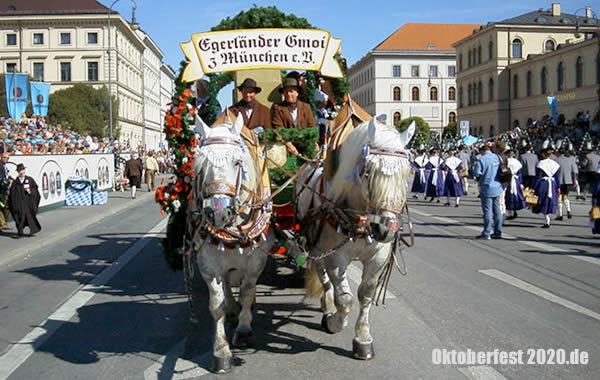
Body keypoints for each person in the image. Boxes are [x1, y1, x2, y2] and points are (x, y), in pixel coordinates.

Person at [271, 77, 317, 156]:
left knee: (316, 152)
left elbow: (312, 125)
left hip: (304, 142)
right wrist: (289, 145)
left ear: (297, 93)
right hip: (286, 144)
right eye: (286, 92)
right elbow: (278, 128)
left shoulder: (306, 107)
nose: (288, 94)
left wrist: (314, 143)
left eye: (291, 91)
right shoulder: (277, 108)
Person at [473, 143, 503, 239]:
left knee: (487, 211)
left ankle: (487, 232)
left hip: (486, 186)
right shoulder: (497, 157)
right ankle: (498, 231)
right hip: (498, 185)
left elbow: (477, 173)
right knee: (497, 210)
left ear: (482, 151)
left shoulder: (482, 159)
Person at [8, 163, 41, 238]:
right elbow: (12, 193)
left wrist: (30, 191)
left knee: (29, 216)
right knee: (19, 217)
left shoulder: (30, 180)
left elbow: (35, 190)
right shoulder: (15, 182)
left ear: (24, 170)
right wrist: (13, 204)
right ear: (18, 172)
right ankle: (20, 232)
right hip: (19, 203)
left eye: (22, 170)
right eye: (19, 170)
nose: (21, 172)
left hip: (28, 203)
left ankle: (32, 230)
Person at [532, 148, 561, 228]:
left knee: (543, 200)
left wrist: (534, 187)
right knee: (549, 200)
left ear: (544, 154)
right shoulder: (555, 164)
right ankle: (547, 219)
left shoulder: (541, 163)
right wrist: (558, 187)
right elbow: (557, 177)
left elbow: (538, 177)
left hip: (544, 184)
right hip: (552, 183)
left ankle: (547, 220)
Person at [553, 146, 578, 220]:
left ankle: (560, 214)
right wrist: (574, 181)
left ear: (559, 153)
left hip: (559, 180)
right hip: (568, 180)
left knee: (559, 197)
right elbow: (574, 172)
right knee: (565, 196)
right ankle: (568, 210)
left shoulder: (555, 160)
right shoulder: (570, 160)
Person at [504, 149, 526, 220]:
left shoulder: (506, 161)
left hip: (508, 180)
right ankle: (514, 211)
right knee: (514, 195)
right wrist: (520, 182)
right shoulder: (517, 162)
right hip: (516, 180)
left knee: (508, 195)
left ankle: (510, 212)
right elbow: (519, 174)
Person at [0, 151, 11, 230]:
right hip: (1, 190)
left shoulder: (5, 166)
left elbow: (7, 176)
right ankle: (3, 224)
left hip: (6, 189)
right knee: (1, 206)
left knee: (7, 207)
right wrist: (7, 182)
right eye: (4, 157)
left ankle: (4, 223)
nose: (6, 159)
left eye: (7, 158)